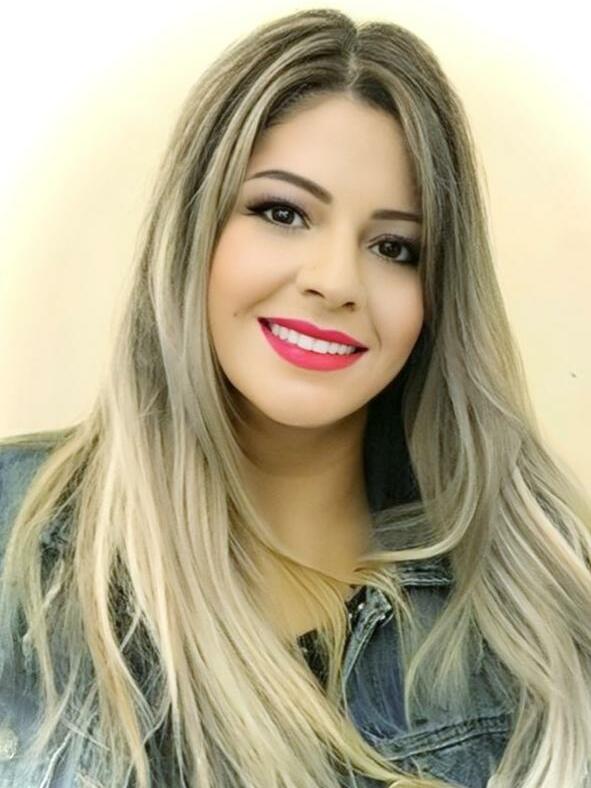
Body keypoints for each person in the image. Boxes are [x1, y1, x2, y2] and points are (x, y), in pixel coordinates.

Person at [1, 7, 590, 787]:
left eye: (393, 247)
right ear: (194, 230)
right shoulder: (17, 538)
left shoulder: (534, 604)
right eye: (282, 212)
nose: (336, 281)